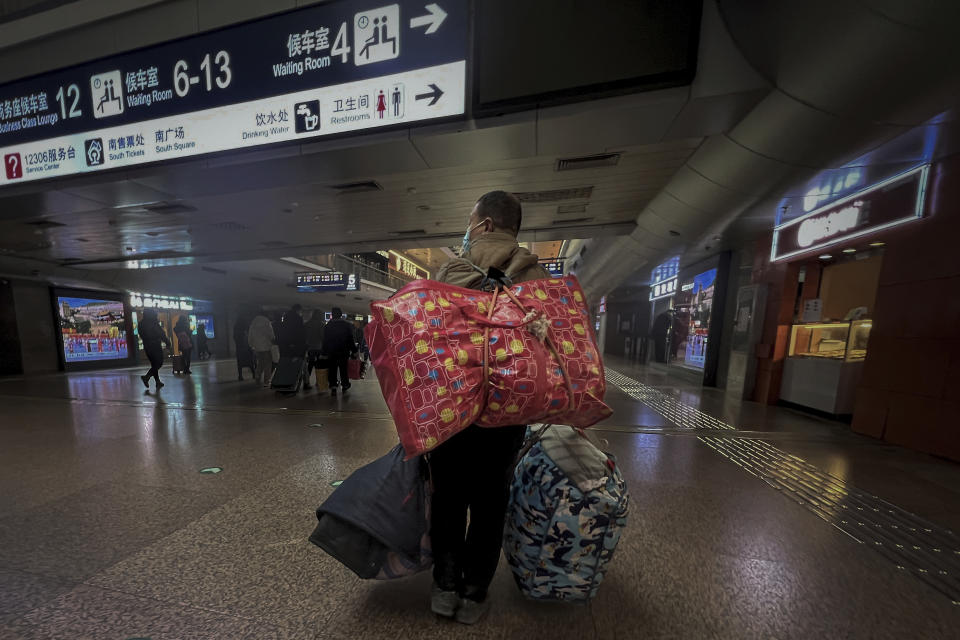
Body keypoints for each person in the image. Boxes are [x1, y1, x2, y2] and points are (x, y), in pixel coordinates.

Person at [429, 190, 550, 625]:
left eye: (470, 221)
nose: (467, 229)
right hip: (508, 409)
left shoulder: (448, 270)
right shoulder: (535, 273)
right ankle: (475, 593)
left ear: (484, 225)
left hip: (451, 408)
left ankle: (444, 587)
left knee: (447, 495)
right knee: (490, 498)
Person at [323, 307, 357, 395]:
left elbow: (325, 340)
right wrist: (354, 350)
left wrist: (324, 352)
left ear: (332, 315)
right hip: (343, 351)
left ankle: (333, 385)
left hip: (332, 351)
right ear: (341, 315)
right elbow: (350, 339)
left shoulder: (328, 326)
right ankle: (345, 384)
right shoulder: (346, 325)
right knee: (343, 369)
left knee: (332, 368)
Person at [277, 304, 309, 388]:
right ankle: (305, 383)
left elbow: (282, 333)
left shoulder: (285, 319)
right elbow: (301, 334)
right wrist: (304, 345)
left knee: (287, 365)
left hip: (285, 347)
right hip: (297, 346)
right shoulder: (298, 319)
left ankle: (285, 382)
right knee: (302, 363)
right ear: (298, 310)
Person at [139, 308, 171, 390]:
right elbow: (160, 333)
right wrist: (167, 342)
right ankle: (146, 377)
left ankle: (157, 381)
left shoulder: (141, 323)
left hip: (147, 346)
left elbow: (142, 335)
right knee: (159, 363)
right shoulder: (153, 322)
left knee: (154, 364)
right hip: (155, 345)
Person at [247, 311, 276, 388]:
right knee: (268, 364)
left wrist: (251, 345)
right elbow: (271, 334)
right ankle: (266, 381)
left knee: (260, 363)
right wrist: (273, 341)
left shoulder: (253, 323)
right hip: (266, 347)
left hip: (257, 348)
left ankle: (257, 378)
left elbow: (250, 336)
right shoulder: (267, 322)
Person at [304, 310, 326, 383]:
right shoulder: (321, 324)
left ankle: (306, 382)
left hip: (310, 347)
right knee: (319, 364)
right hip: (319, 347)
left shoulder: (307, 324)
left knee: (310, 364)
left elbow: (304, 335)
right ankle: (319, 381)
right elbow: (322, 336)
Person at [233, 315, 254, 381]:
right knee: (250, 362)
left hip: (239, 348)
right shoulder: (246, 328)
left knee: (240, 363)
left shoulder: (236, 327)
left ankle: (240, 376)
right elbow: (249, 337)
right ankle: (254, 374)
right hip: (246, 348)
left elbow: (234, 337)